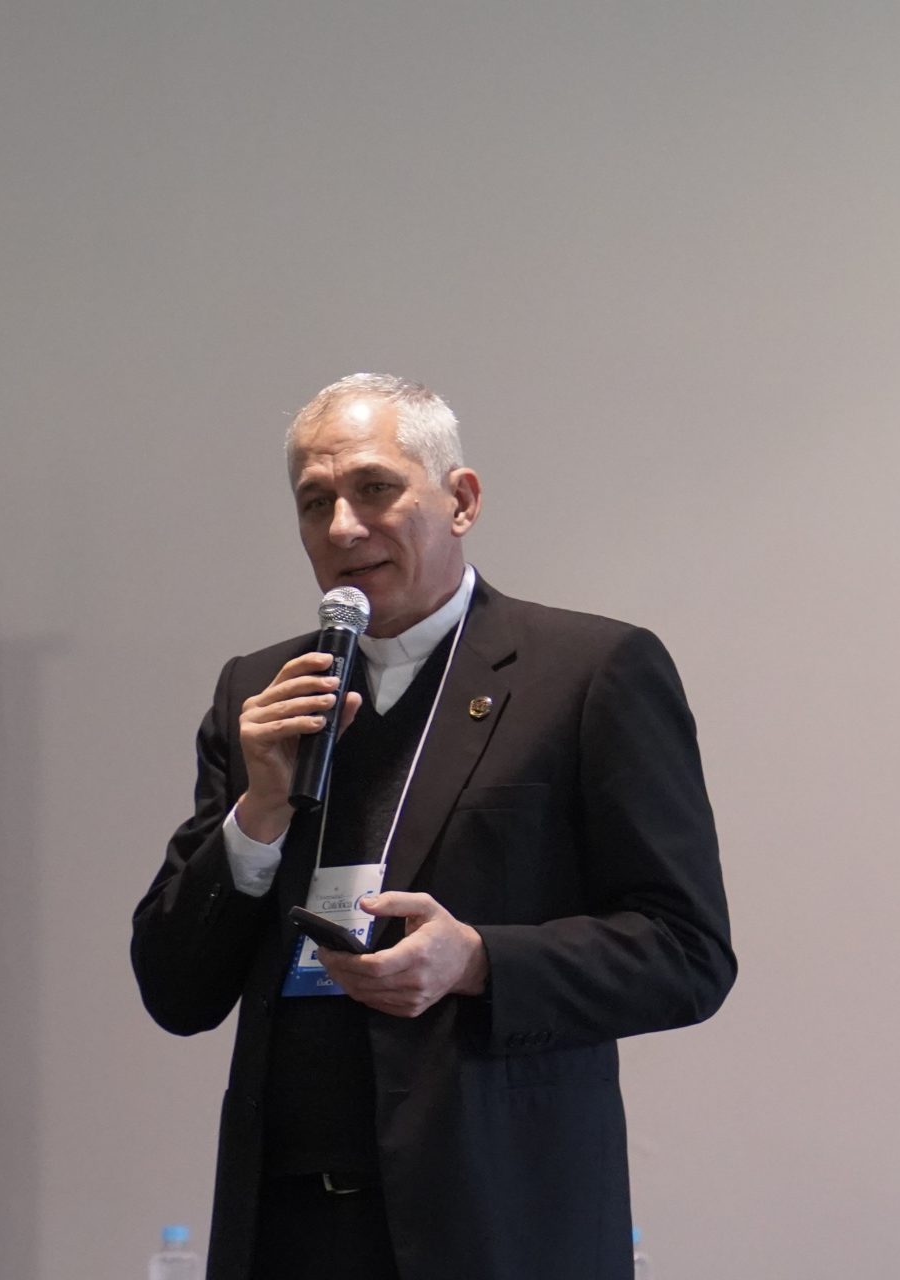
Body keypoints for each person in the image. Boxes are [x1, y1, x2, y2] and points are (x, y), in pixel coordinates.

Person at [130, 373, 735, 1280]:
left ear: (461, 501)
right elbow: (175, 990)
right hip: (288, 1232)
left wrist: (478, 960)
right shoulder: (262, 693)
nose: (343, 528)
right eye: (315, 502)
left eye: (375, 488)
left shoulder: (588, 674)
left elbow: (687, 953)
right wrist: (258, 813)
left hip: (497, 1227)